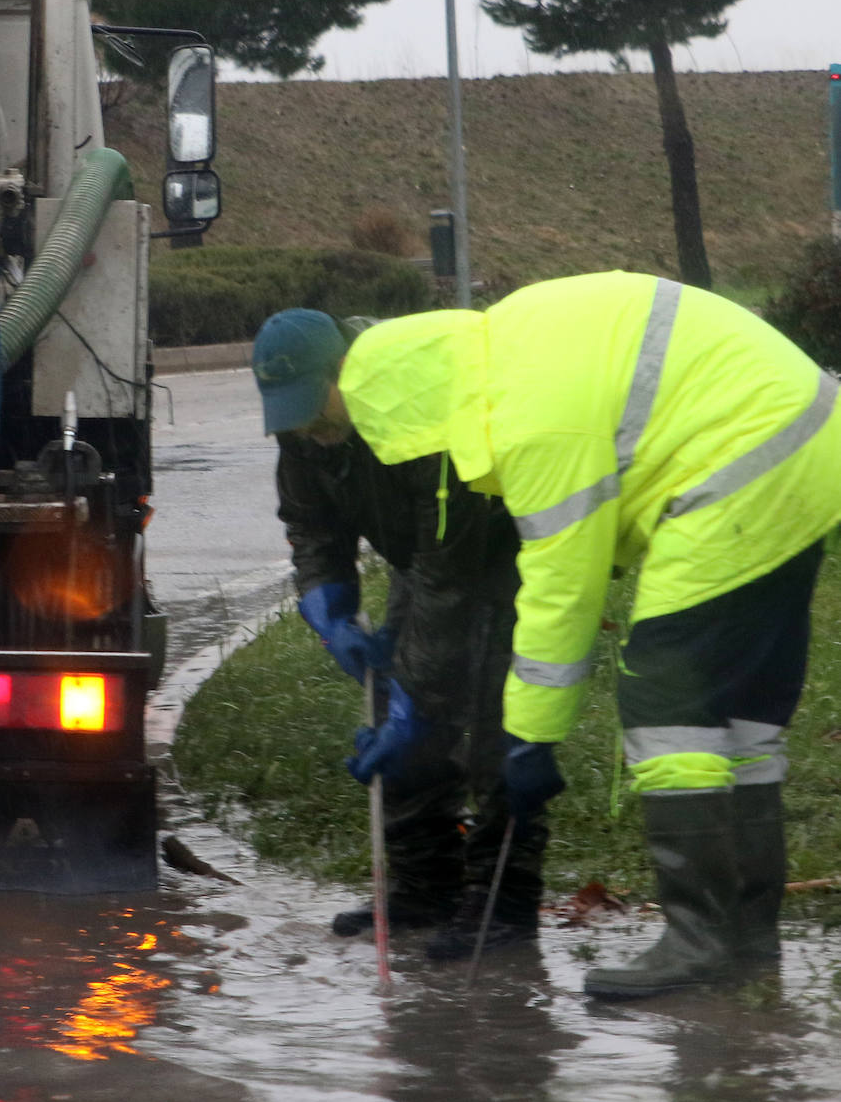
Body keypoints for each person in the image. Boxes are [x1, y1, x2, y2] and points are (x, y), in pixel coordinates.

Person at [335, 271, 841, 998]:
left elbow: (561, 586)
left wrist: (528, 741)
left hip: (738, 469)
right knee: (743, 724)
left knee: (670, 702)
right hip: (808, 445)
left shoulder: (527, 416)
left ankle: (700, 941)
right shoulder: (512, 345)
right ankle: (748, 939)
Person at [251, 307, 541, 959]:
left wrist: (422, 693)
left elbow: (450, 574)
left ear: (344, 370)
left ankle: (505, 902)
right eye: (289, 414)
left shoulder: (411, 410)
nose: (304, 428)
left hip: (496, 551)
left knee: (496, 718)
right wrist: (326, 601)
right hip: (425, 563)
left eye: (313, 410)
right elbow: (310, 526)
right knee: (397, 711)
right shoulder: (301, 435)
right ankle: (424, 885)